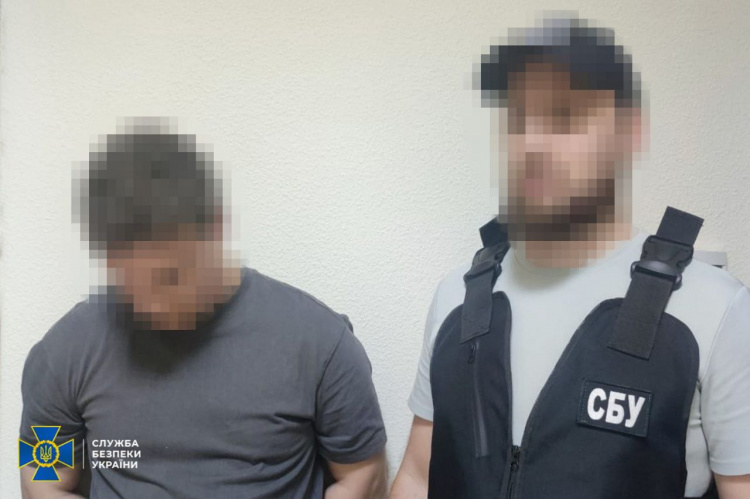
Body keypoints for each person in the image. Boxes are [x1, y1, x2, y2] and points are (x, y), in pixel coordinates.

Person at [390, 15, 750, 499]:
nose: (533, 144)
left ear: (628, 134)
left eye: (564, 117)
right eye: (517, 120)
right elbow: (417, 475)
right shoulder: (458, 296)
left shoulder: (715, 309)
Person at [18, 123, 387, 498]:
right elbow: (41, 478)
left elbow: (362, 475)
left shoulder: (319, 343)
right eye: (128, 284)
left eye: (169, 277)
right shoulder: (63, 352)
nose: (149, 305)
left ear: (216, 228)